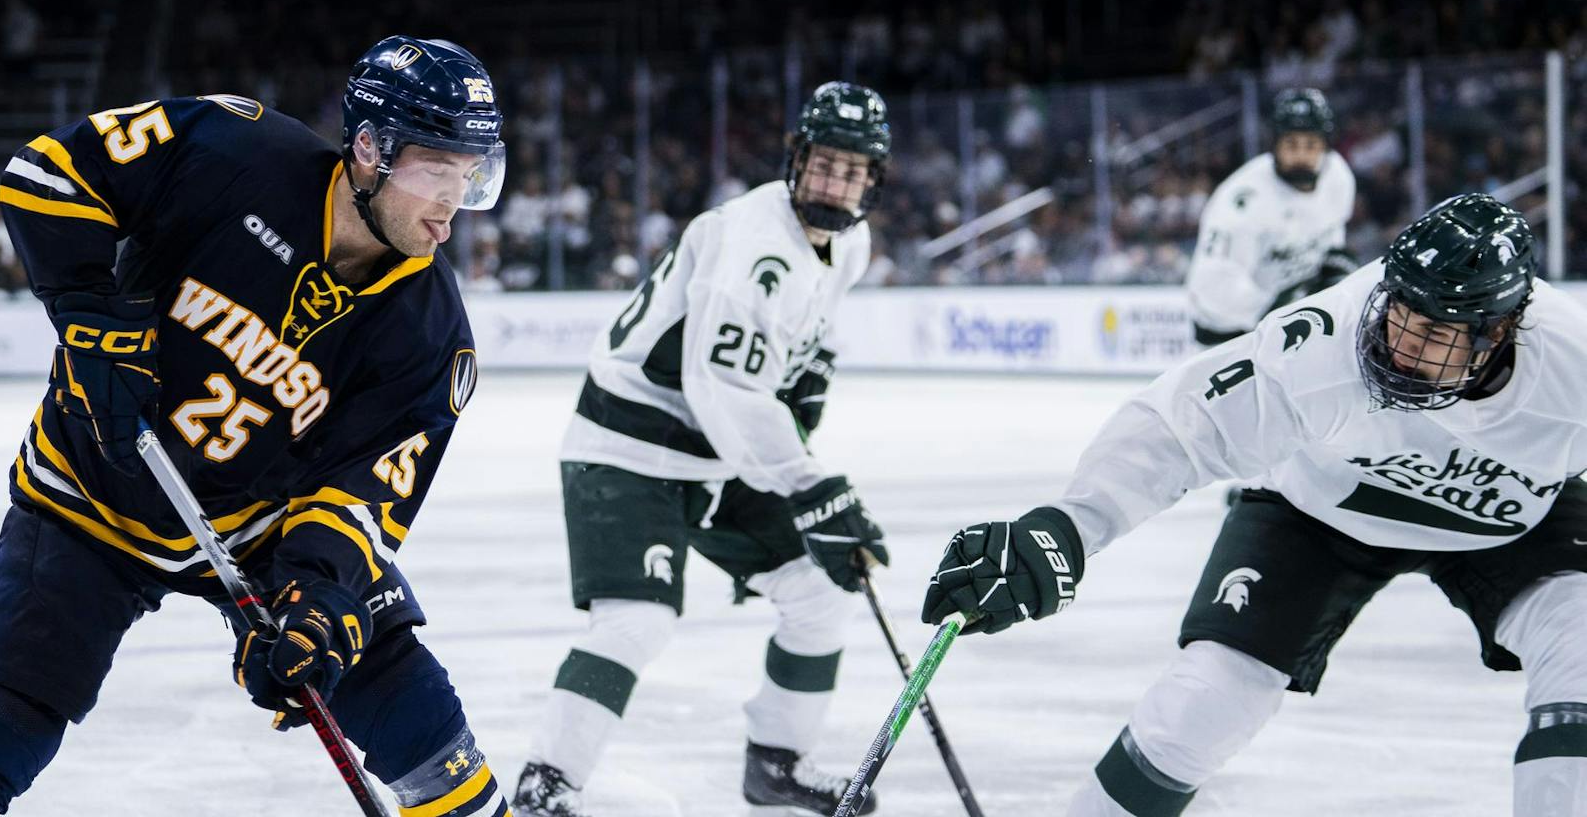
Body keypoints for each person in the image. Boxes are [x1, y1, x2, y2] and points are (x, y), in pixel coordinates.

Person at [0, 37, 513, 817]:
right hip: (93, 481)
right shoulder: (233, 150)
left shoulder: (430, 336)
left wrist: (317, 602)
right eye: (435, 171)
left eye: (471, 176)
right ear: (369, 149)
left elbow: (359, 497)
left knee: (420, 725)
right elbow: (50, 172)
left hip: (259, 527)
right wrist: (89, 315)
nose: (452, 204)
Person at [922, 193, 1587, 816]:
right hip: (1318, 513)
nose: (1401, 344)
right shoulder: (1325, 345)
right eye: (1400, 313)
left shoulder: (1573, 367)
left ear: (1498, 331)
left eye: (1434, 332)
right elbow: (1183, 424)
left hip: (1513, 522)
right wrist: (1068, 525)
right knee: (1202, 702)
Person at [513, 82, 894, 817]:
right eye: (823, 165)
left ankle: (776, 763)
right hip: (630, 444)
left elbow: (805, 340)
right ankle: (546, 783)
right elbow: (724, 387)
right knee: (638, 620)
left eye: (851, 172)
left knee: (821, 590)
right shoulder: (753, 245)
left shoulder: (850, 243)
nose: (832, 183)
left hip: (719, 451)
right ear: (796, 160)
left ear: (872, 182)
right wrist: (811, 486)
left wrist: (810, 380)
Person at [1185, 87, 1357, 346]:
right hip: (1230, 337)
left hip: (1290, 325)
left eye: (1311, 145)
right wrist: (1276, 309)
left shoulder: (1337, 177)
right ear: (1274, 144)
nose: (1301, 155)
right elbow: (1212, 285)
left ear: (1325, 145)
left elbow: (1332, 234)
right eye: (1291, 144)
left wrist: (1333, 264)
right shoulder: (1243, 202)